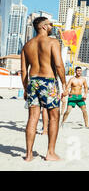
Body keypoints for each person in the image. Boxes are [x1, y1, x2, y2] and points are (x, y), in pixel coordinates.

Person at [21, 17, 66, 161]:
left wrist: (26, 89)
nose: (52, 26)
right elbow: (59, 65)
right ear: (44, 27)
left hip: (33, 81)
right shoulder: (53, 42)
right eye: (50, 24)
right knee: (54, 117)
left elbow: (23, 72)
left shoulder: (27, 45)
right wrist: (64, 84)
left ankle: (29, 155)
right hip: (48, 82)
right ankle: (50, 153)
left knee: (32, 118)